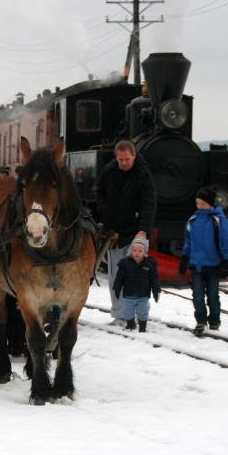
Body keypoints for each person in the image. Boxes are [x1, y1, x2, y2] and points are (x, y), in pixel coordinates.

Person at [96, 140, 156, 326]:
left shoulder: (143, 175)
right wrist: (104, 210)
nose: (123, 163)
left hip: (136, 233)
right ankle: (120, 315)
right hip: (113, 232)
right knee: (116, 275)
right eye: (120, 160)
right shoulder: (109, 171)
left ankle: (137, 314)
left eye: (127, 159)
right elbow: (99, 192)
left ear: (134, 156)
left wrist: (143, 231)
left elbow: (149, 203)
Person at [179, 187, 228, 335]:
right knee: (197, 295)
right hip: (197, 265)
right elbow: (188, 240)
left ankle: (215, 321)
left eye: (203, 203)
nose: (200, 206)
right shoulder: (193, 220)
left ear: (210, 204)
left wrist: (226, 260)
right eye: (198, 203)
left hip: (213, 266)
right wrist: (185, 257)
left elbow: (227, 240)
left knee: (212, 296)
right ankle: (201, 321)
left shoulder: (218, 220)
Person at [113, 236, 160, 332]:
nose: (137, 253)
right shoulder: (125, 263)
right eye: (134, 250)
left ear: (145, 252)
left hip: (143, 296)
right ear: (131, 251)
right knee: (127, 312)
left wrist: (156, 291)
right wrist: (117, 288)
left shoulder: (149, 264)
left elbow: (154, 279)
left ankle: (142, 327)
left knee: (143, 312)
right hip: (129, 295)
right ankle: (130, 325)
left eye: (140, 251)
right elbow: (119, 277)